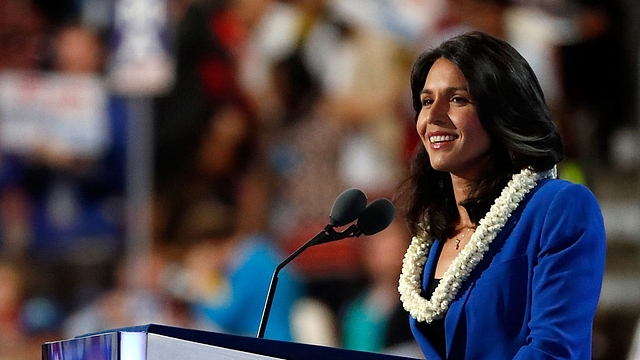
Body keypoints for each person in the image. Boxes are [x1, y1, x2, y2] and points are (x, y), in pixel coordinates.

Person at [395, 31, 606, 359]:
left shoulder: (558, 208)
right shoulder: (435, 233)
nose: (432, 117)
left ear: (502, 111)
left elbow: (554, 351)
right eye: (426, 101)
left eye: (457, 99)